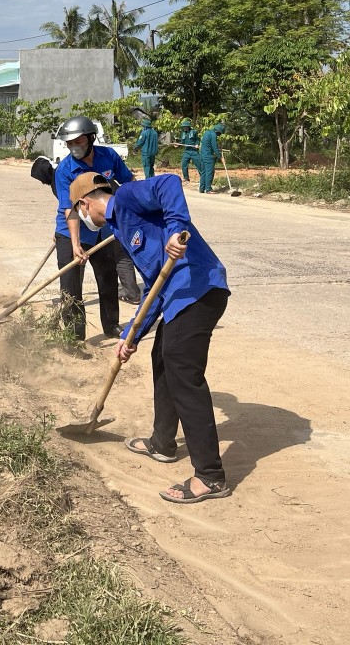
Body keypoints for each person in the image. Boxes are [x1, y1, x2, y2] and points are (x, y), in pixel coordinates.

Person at [68, 171, 232, 504]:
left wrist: (175, 231)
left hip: (199, 289)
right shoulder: (121, 229)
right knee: (162, 357)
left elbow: (169, 183)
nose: (82, 219)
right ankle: (163, 442)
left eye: (78, 212)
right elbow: (154, 288)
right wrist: (131, 335)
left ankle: (210, 477)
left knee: (183, 372)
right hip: (176, 296)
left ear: (85, 203)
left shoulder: (126, 198)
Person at [52, 115, 140, 340]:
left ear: (91, 138)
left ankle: (111, 326)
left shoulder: (108, 156)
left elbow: (128, 181)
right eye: (69, 143)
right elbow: (69, 209)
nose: (74, 147)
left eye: (78, 142)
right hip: (72, 231)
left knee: (107, 278)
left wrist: (137, 203)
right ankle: (74, 335)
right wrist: (74, 244)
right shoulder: (64, 170)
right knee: (71, 286)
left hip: (104, 229)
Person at [198, 122, 225, 194]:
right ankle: (208, 189)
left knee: (203, 172)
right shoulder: (213, 135)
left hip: (202, 155)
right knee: (209, 172)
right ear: (218, 131)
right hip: (208, 156)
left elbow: (208, 144)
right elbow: (214, 147)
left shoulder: (207, 132)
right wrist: (220, 157)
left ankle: (201, 188)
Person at [177, 118, 201, 183]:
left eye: (185, 127)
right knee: (184, 164)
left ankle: (203, 178)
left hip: (194, 151)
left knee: (199, 164)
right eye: (183, 127)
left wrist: (197, 144)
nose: (184, 128)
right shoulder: (183, 133)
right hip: (187, 151)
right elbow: (182, 142)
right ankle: (186, 178)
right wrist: (178, 144)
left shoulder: (194, 132)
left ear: (188, 126)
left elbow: (197, 140)